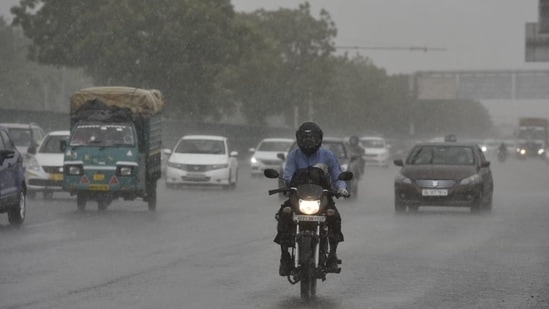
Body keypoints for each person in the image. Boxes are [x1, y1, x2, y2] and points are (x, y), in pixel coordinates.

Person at [275, 121, 349, 276]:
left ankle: (333, 255)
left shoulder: (328, 155)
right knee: (284, 215)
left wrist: (342, 188)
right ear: (299, 139)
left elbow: (337, 174)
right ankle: (284, 257)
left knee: (334, 217)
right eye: (305, 138)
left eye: (312, 138)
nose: (308, 142)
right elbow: (287, 175)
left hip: (322, 197)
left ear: (319, 139)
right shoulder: (294, 156)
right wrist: (285, 185)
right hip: (298, 197)